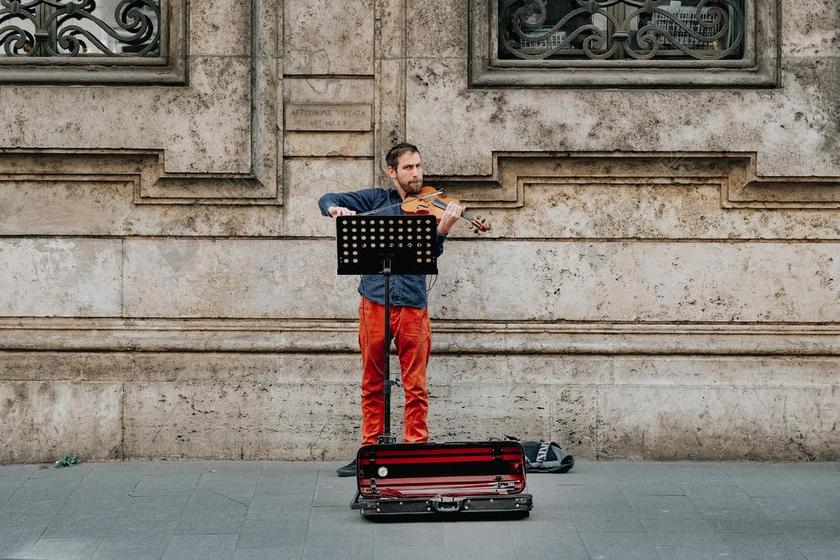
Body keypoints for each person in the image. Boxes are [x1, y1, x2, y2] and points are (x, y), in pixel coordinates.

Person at [318, 142, 463, 477]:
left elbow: (430, 255)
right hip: (374, 302)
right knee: (373, 381)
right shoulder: (375, 200)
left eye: (419, 167)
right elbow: (327, 198)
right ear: (392, 171)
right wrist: (335, 210)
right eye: (409, 168)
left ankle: (415, 451)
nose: (417, 174)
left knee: (415, 384)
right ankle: (370, 451)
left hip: (413, 304)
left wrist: (441, 230)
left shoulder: (430, 206)